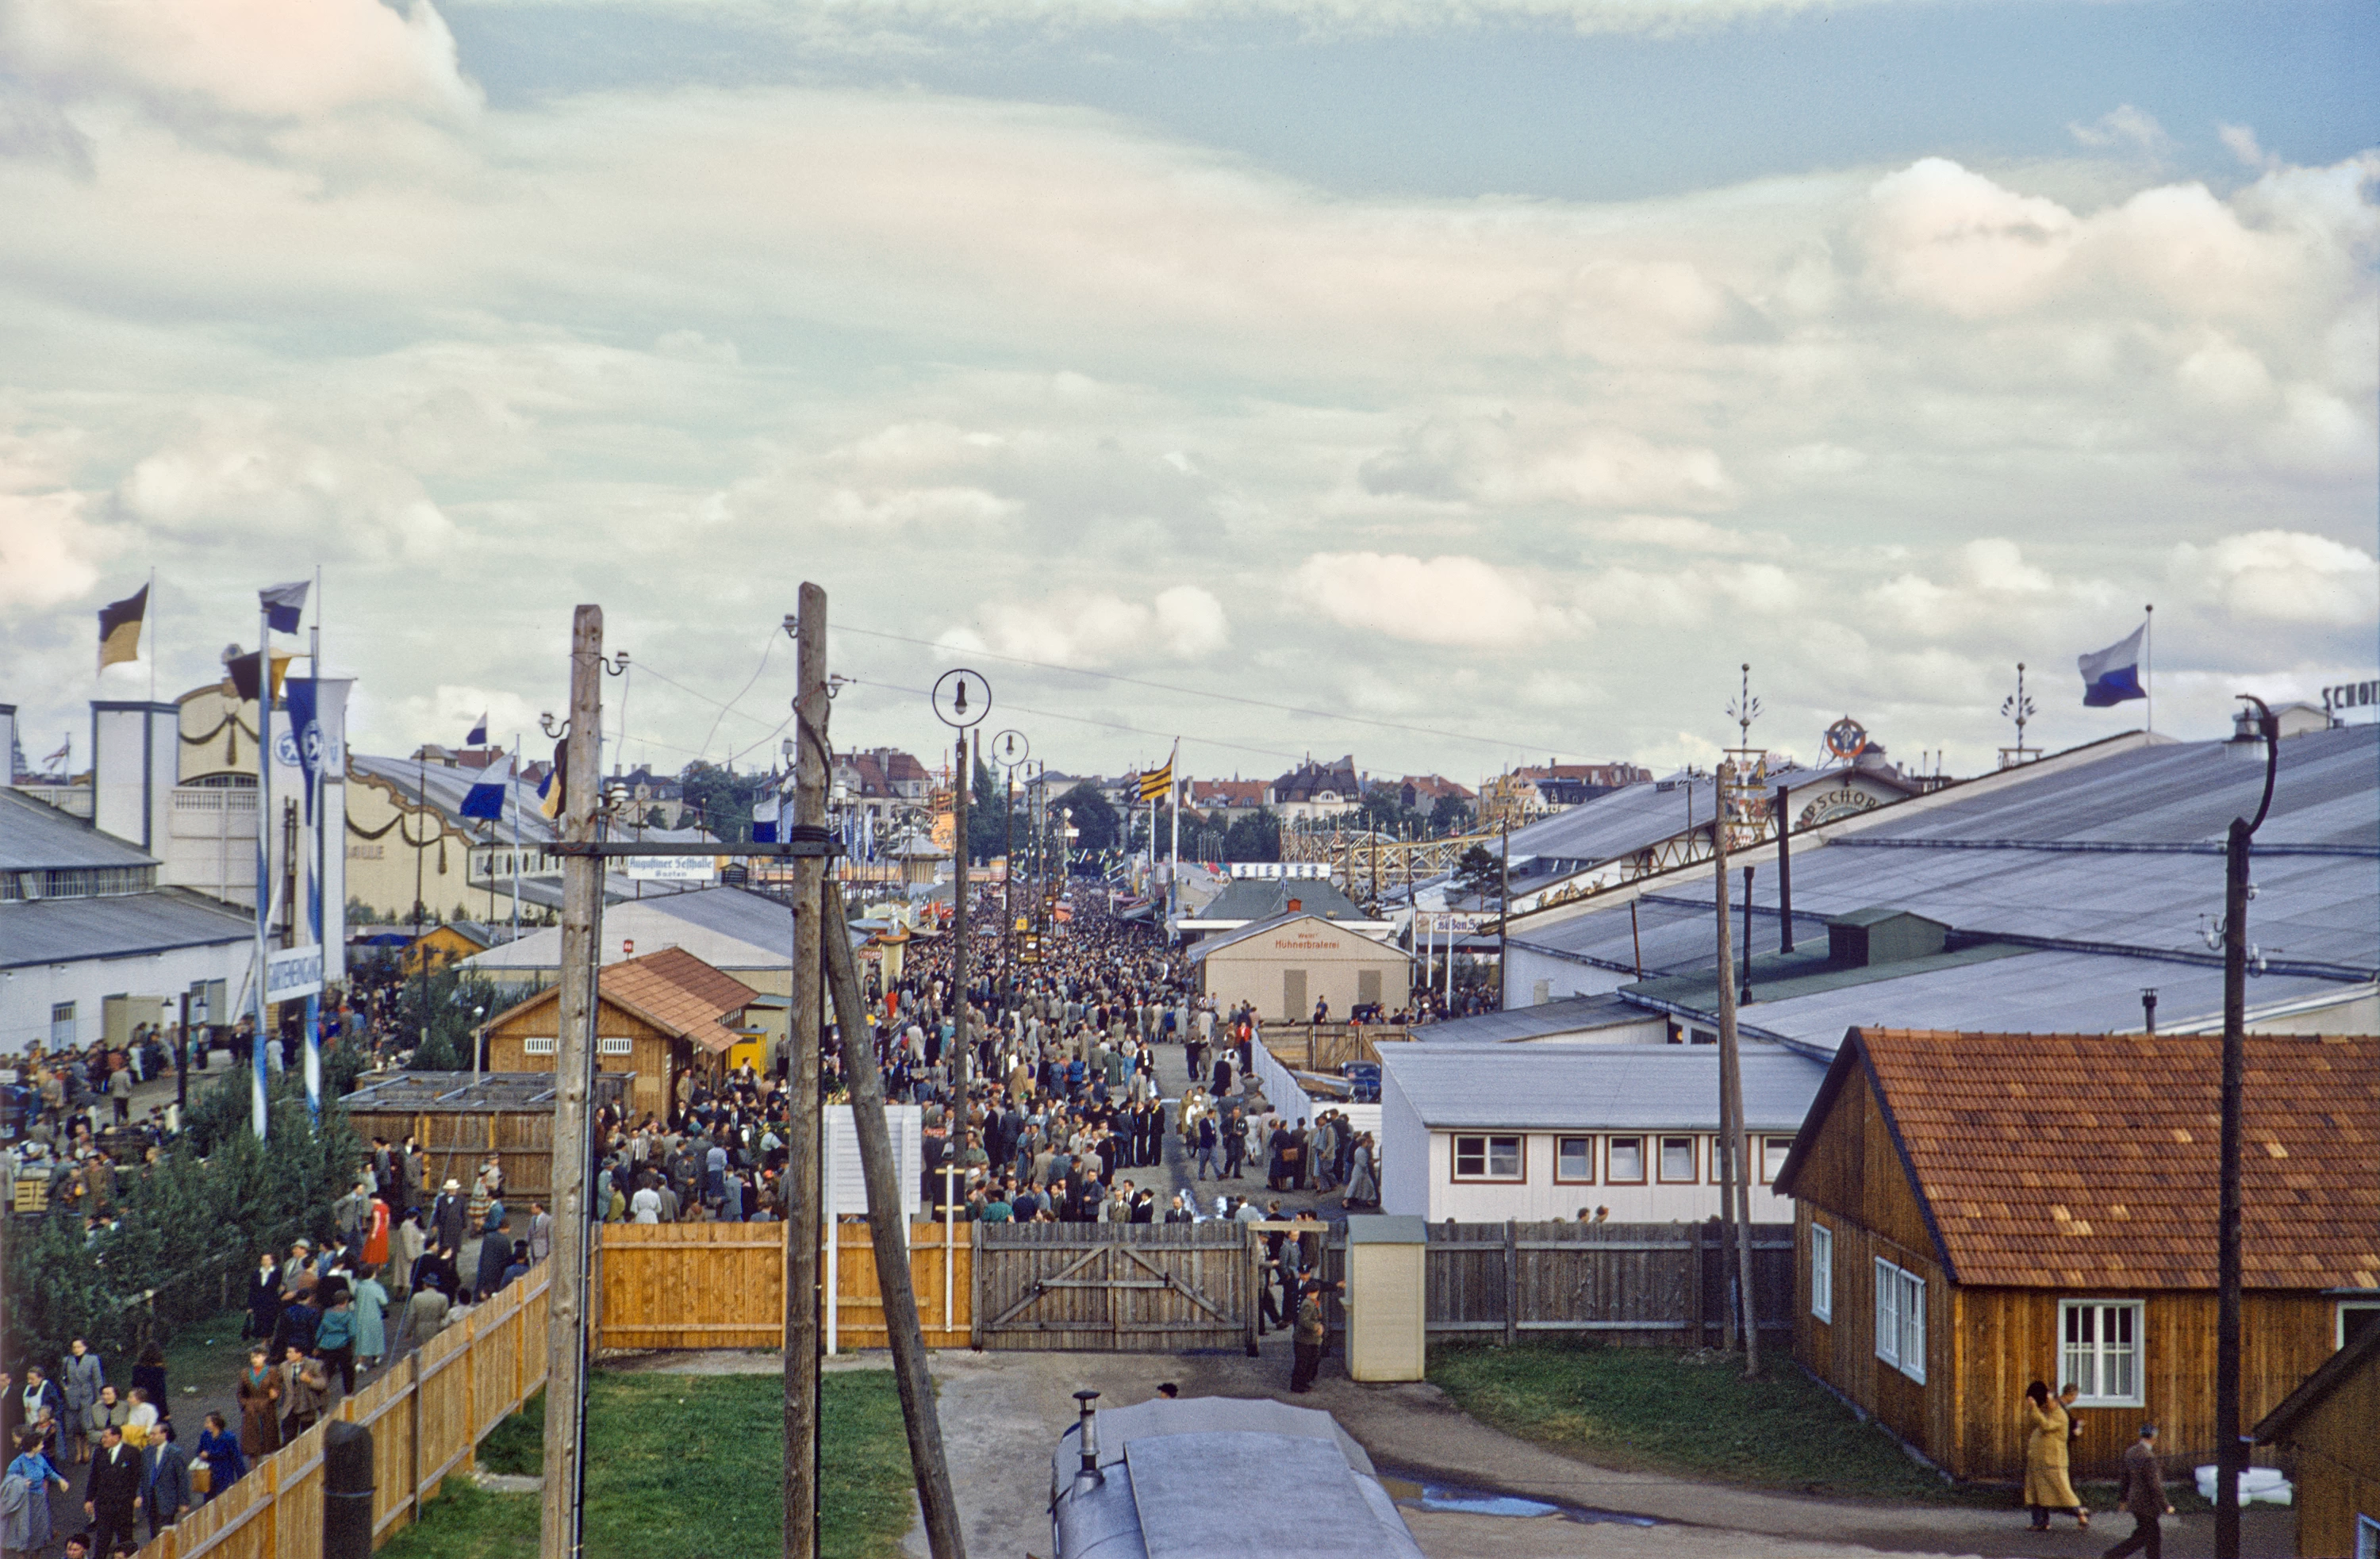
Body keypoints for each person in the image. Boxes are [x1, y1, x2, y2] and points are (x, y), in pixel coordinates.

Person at [2021, 1380, 2086, 1530]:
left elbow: (2045, 1426)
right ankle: (2040, 1523)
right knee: (2038, 1493)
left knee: (2062, 1491)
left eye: (2048, 1400)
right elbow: (2034, 1420)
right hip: (2039, 1462)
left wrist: (2034, 1409)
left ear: (2056, 1401)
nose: (2046, 1403)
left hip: (2053, 1462)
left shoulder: (2060, 1416)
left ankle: (2081, 1514)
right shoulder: (2047, 1414)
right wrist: (2033, 1407)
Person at [2102, 1424, 2173, 1559]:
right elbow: (2155, 1485)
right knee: (2143, 1537)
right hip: (2147, 1504)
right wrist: (2166, 1505)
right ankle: (2111, 1556)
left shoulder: (2130, 1452)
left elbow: (2125, 1479)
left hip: (2134, 1500)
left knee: (2152, 1537)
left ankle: (2112, 1556)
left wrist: (2123, 1499)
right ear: (2154, 1438)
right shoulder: (2149, 1457)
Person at [6, 1427, 70, 1557]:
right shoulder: (18, 1463)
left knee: (40, 1531)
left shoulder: (40, 1458)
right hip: (25, 1502)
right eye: (41, 1443)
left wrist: (60, 1480)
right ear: (33, 1447)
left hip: (39, 1500)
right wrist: (21, 1483)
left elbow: (49, 1472)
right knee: (25, 1533)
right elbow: (9, 1481)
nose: (43, 1445)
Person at [83, 1423, 144, 1558]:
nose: (102, 1439)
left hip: (124, 1504)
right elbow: (94, 1477)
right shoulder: (99, 1452)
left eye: (106, 1436)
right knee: (102, 1540)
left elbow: (138, 1476)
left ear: (117, 1437)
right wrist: (88, 1499)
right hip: (104, 1504)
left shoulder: (132, 1452)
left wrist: (138, 1496)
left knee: (125, 1539)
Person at [144, 1422, 193, 1541]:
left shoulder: (175, 1453)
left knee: (164, 1535)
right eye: (151, 1434)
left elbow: (182, 1479)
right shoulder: (147, 1452)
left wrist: (184, 1502)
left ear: (164, 1434)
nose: (151, 1437)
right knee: (154, 1535)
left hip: (167, 1500)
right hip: (151, 1500)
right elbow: (144, 1476)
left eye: (154, 1434)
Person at [1290, 1278, 1340, 1393]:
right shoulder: (1308, 1304)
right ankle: (1298, 1385)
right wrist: (1316, 1326)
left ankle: (1304, 1382)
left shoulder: (1312, 1303)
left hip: (1311, 1340)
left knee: (1312, 1360)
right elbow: (1303, 1321)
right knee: (1302, 1363)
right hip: (1304, 1340)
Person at [59, 1342, 102, 1465]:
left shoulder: (92, 1359)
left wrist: (99, 1397)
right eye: (74, 1347)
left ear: (85, 1347)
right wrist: (65, 1388)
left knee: (86, 1423)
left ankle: (87, 1449)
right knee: (75, 1425)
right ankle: (78, 1451)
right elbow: (62, 1377)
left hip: (87, 1395)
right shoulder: (67, 1360)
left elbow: (98, 1378)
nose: (77, 1349)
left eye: (79, 1347)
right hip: (72, 1396)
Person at [235, 1351, 281, 1459]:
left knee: (268, 1441)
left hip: (267, 1409)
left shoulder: (271, 1371)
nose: (254, 1360)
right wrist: (246, 1404)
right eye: (252, 1357)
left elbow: (277, 1389)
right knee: (252, 1446)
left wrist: (273, 1396)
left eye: (257, 1357)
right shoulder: (245, 1373)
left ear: (264, 1357)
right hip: (251, 1411)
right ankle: (253, 1468)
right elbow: (240, 1393)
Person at [194, 1411, 245, 1498]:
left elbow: (236, 1458)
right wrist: (201, 1455)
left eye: (208, 1422)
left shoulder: (229, 1438)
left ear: (215, 1423)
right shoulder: (205, 1435)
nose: (205, 1425)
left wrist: (242, 1477)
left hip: (224, 1477)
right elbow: (199, 1450)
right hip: (208, 1476)